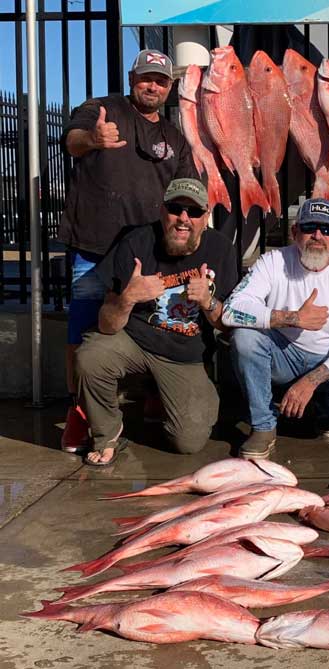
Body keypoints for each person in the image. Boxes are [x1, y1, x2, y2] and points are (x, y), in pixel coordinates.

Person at [60, 49, 197, 453]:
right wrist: (93, 139)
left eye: (161, 80)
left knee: (157, 323)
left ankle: (155, 390)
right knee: (83, 329)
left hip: (150, 251)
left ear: (170, 88)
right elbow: (72, 142)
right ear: (132, 77)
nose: (152, 86)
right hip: (94, 246)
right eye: (145, 78)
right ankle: (80, 411)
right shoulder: (100, 108)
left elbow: (186, 192)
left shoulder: (175, 137)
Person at [75, 178, 237, 466]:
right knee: (91, 356)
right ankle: (107, 434)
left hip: (183, 355)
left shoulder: (221, 249)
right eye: (175, 209)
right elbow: (105, 325)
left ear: (206, 216)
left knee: (189, 442)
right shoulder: (136, 243)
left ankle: (164, 396)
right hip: (134, 341)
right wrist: (127, 298)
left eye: (194, 212)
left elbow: (227, 325)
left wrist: (208, 302)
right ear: (163, 211)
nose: (183, 219)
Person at [222, 199, 329, 460]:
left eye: (326, 230)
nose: (318, 236)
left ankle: (326, 408)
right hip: (284, 354)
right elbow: (230, 310)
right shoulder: (272, 261)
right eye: (309, 228)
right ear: (294, 232)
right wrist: (291, 318)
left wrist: (311, 380)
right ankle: (263, 426)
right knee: (244, 338)